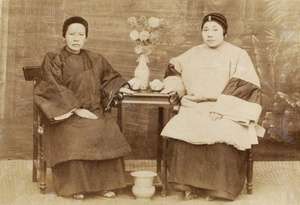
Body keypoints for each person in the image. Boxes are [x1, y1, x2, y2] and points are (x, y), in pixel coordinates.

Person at [161, 13, 264, 201]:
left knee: (223, 132)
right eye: (206, 30)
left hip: (227, 108)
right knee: (183, 126)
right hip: (195, 106)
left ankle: (218, 189)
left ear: (224, 32)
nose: (210, 34)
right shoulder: (193, 52)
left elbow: (246, 85)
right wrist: (177, 93)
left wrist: (223, 108)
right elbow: (174, 68)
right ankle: (188, 185)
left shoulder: (238, 54)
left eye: (215, 29)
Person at [34, 16, 133, 199]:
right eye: (72, 34)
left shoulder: (96, 59)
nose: (76, 38)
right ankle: (74, 187)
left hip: (94, 111)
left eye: (81, 34)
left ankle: (105, 185)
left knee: (107, 128)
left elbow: (110, 78)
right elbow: (52, 86)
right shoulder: (54, 58)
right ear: (64, 36)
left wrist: (122, 86)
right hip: (65, 114)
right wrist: (76, 109)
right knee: (76, 134)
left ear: (86, 37)